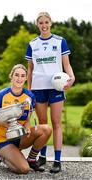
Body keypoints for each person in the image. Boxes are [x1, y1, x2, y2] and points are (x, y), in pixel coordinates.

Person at [25, 12, 75, 173]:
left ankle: (58, 160)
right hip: (38, 88)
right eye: (41, 23)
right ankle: (42, 158)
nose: (44, 25)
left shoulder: (60, 41)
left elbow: (66, 65)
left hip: (56, 87)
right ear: (37, 25)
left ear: (51, 23)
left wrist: (72, 77)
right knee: (43, 125)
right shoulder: (32, 44)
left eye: (46, 22)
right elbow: (30, 69)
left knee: (56, 122)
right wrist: (30, 90)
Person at [0, 64, 52, 174]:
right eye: (17, 75)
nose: (19, 79)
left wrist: (27, 126)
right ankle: (1, 156)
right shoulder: (1, 95)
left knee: (46, 129)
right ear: (11, 76)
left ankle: (32, 159)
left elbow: (27, 116)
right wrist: (9, 126)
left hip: (20, 136)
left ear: (26, 78)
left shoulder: (30, 96)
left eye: (22, 76)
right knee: (24, 169)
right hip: (4, 139)